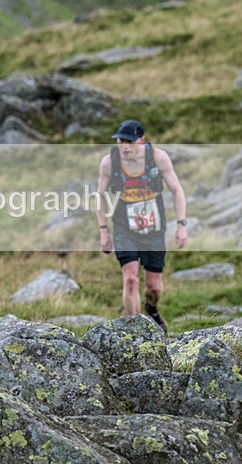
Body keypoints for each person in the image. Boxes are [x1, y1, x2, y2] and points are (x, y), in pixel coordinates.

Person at [96, 120, 188, 333]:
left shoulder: (158, 158)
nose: (124, 147)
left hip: (153, 228)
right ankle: (134, 331)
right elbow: (100, 196)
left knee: (153, 286)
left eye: (129, 142)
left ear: (142, 141)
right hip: (123, 227)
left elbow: (177, 190)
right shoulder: (109, 163)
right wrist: (103, 231)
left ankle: (152, 308)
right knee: (130, 278)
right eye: (121, 141)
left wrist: (182, 224)